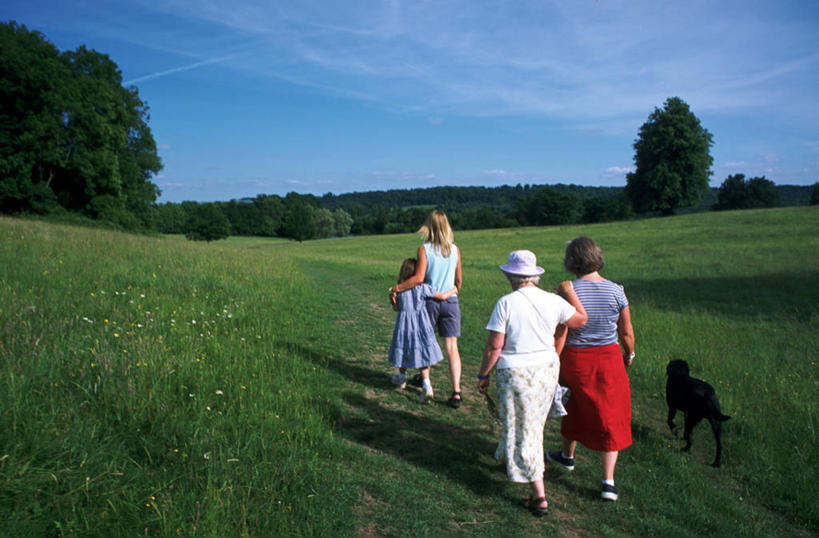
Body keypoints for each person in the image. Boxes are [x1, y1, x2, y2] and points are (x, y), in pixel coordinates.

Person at [476, 250, 587, 516]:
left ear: (510, 275)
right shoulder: (551, 300)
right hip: (547, 370)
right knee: (530, 422)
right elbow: (580, 320)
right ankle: (506, 455)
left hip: (515, 372)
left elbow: (494, 346)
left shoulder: (506, 303)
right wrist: (570, 293)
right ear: (534, 275)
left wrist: (483, 375)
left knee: (526, 430)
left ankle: (539, 496)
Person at [546, 236, 635, 502]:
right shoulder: (617, 290)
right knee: (612, 415)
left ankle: (567, 457)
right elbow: (626, 331)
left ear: (572, 261)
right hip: (609, 359)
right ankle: (608, 482)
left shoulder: (567, 289)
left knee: (573, 407)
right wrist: (629, 353)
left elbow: (560, 329)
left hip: (575, 359)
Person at [390, 210, 464, 408]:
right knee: (452, 347)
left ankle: (426, 383)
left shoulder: (424, 249)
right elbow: (459, 281)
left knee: (424, 341)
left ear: (429, 226)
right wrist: (452, 292)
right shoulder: (455, 250)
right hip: (451, 301)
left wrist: (397, 288)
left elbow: (419, 279)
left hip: (429, 301)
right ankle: (456, 392)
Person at [389, 258, 457, 404]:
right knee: (422, 354)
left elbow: (396, 308)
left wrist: (392, 298)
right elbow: (443, 296)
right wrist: (454, 289)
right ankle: (427, 384)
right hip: (421, 325)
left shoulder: (399, 291)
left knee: (404, 350)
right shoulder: (424, 288)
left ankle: (401, 378)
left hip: (404, 326)